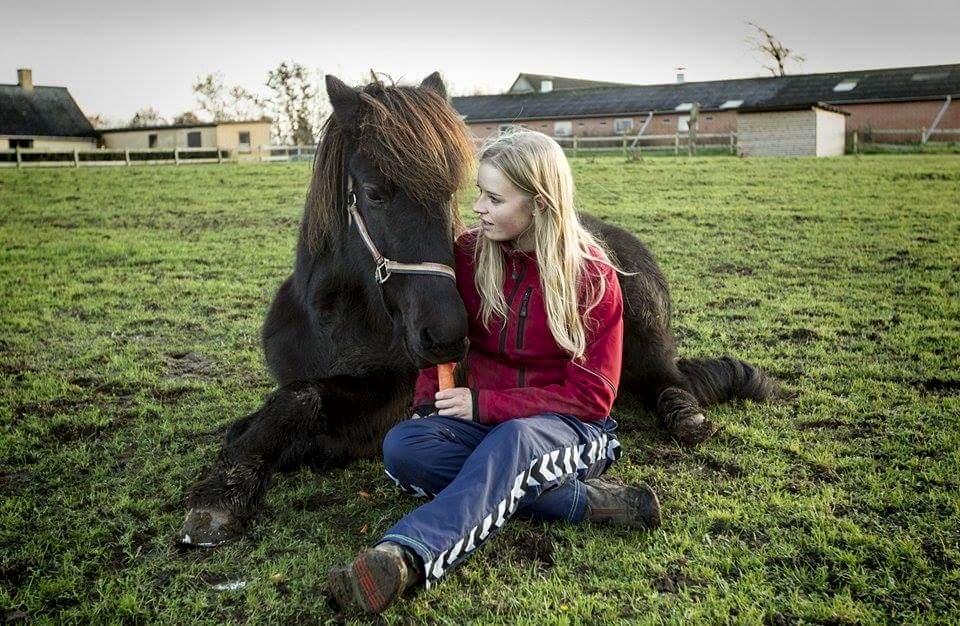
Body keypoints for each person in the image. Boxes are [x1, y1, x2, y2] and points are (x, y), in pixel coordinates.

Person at [328, 129, 661, 614]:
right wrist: (426, 404)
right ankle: (581, 504)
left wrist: (486, 405)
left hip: (571, 428)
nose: (478, 207)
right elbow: (441, 340)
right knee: (403, 445)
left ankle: (405, 556)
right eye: (478, 192)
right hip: (484, 425)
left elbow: (593, 398)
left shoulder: (592, 276)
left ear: (539, 204)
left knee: (515, 443)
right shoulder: (467, 254)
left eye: (494, 197)